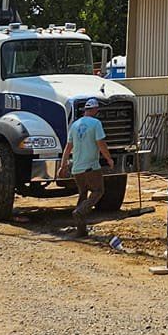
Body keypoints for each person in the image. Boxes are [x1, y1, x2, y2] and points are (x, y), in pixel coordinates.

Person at [59, 97, 113, 238]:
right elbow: (101, 143)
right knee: (98, 191)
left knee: (83, 194)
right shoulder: (96, 123)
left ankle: (81, 230)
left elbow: (68, 147)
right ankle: (80, 211)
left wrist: (63, 165)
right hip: (91, 167)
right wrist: (109, 158)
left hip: (77, 168)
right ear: (95, 110)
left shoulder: (75, 125)